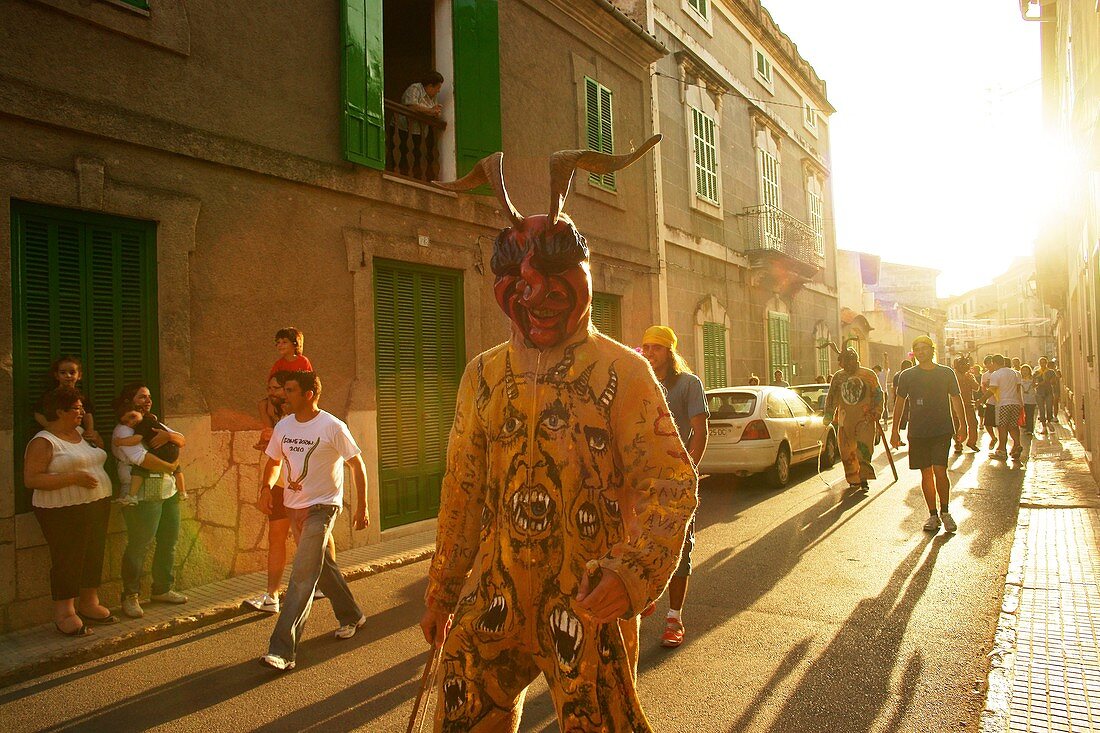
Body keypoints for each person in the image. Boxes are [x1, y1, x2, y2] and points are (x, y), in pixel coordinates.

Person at [422, 142, 696, 731]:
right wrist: (444, 590)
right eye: (517, 283)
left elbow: (669, 480)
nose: (535, 298)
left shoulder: (624, 372)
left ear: (583, 279)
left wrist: (631, 572)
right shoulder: (484, 376)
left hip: (588, 603)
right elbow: (463, 489)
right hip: (496, 597)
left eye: (552, 282)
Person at [259, 371, 369, 671]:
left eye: (291, 390)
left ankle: (282, 650)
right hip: (294, 507)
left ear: (308, 394)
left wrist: (363, 506)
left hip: (322, 508)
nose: (285, 395)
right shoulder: (284, 425)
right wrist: (267, 487)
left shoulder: (332, 426)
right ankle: (352, 615)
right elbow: (274, 462)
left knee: (302, 577)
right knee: (322, 568)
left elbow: (357, 464)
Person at [24, 387, 115, 636]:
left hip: (97, 503)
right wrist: (72, 478)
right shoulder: (44, 441)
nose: (82, 412)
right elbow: (31, 479)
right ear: (60, 411)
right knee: (68, 558)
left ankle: (89, 603)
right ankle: (65, 613)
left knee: (93, 553)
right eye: (76, 408)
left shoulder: (80, 433)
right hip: (61, 510)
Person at [639, 325, 708, 648]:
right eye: (646, 347)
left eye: (655, 348)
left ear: (669, 352)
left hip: (677, 480)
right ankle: (649, 593)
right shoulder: (641, 382)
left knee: (680, 549)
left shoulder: (688, 384)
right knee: (641, 542)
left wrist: (688, 471)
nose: (649, 353)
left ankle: (674, 618)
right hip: (645, 479)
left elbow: (700, 430)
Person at [245, 371, 334, 614]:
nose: (272, 393)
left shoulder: (308, 419)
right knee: (276, 538)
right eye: (270, 388)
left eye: (277, 388)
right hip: (281, 487)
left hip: (307, 491)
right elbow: (273, 460)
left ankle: (324, 585)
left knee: (316, 541)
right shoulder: (278, 420)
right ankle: (272, 595)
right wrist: (266, 487)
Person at [113, 383, 188, 619]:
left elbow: (181, 440)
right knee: (139, 545)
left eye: (149, 397)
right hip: (143, 492)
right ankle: (130, 596)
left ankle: (162, 589)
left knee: (169, 540)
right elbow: (140, 459)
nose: (147, 401)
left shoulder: (153, 421)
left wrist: (168, 436)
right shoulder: (124, 430)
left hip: (168, 490)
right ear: (129, 400)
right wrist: (171, 466)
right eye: (142, 397)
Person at [890, 336, 967, 533]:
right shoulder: (907, 375)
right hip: (918, 432)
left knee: (940, 470)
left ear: (932, 350)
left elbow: (956, 399)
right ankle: (933, 515)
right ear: (913, 353)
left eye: (925, 348)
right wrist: (895, 431)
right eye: (917, 349)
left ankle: (946, 512)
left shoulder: (946, 373)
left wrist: (964, 426)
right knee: (926, 472)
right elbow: (899, 404)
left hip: (942, 429)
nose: (921, 352)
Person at [822, 348, 882, 491]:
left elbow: (878, 394)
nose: (845, 366)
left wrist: (877, 411)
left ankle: (863, 477)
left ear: (854, 360)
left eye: (848, 361)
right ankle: (853, 478)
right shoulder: (838, 377)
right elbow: (832, 397)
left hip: (865, 419)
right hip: (845, 419)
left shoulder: (869, 375)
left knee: (864, 448)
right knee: (847, 450)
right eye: (842, 363)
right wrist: (829, 413)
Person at [113, 409, 186, 506]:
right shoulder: (150, 421)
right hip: (173, 450)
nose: (131, 422)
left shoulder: (142, 424)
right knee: (177, 469)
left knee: (139, 467)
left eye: (133, 416)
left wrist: (120, 442)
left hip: (163, 452)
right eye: (126, 422)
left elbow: (136, 441)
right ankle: (183, 492)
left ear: (141, 412)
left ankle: (132, 496)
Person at [34, 356, 103, 449]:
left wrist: (89, 430)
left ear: (79, 375)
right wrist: (50, 426)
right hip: (56, 434)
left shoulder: (81, 396)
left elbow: (88, 414)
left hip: (77, 433)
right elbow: (38, 413)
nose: (68, 376)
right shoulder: (51, 395)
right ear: (56, 375)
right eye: (63, 373)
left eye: (72, 372)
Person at [397, 71, 445, 177]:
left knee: (418, 156)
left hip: (420, 132)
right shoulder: (415, 88)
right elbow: (411, 106)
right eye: (437, 88)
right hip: (404, 129)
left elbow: (432, 109)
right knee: (404, 154)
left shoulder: (432, 97)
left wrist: (435, 113)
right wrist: (430, 111)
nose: (438, 91)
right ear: (430, 86)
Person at [987, 354, 1023, 461]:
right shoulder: (1014, 372)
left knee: (1002, 427)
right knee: (1013, 425)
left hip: (1003, 403)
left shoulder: (996, 374)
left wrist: (981, 399)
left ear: (994, 362)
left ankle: (1002, 450)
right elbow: (1017, 388)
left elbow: (992, 389)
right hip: (1014, 402)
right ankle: (1017, 445)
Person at [952, 356, 980, 452]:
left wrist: (970, 379)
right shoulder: (953, 375)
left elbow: (976, 387)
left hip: (968, 404)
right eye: (962, 364)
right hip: (955, 405)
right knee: (956, 424)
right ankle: (958, 443)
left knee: (973, 423)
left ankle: (971, 442)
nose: (964, 366)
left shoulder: (969, 375)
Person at [890, 359, 913, 444]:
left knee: (906, 419)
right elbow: (895, 389)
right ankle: (897, 437)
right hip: (903, 400)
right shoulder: (900, 375)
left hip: (907, 400)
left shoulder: (899, 375)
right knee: (902, 418)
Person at [979, 355, 998, 449]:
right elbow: (983, 387)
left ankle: (1002, 445)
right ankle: (993, 437)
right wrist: (985, 395)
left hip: (1000, 401)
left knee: (1000, 424)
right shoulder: (985, 375)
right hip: (990, 400)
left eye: (990, 364)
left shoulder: (998, 373)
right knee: (988, 423)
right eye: (987, 365)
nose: (989, 366)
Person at [1020, 364, 1038, 435]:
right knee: (1024, 414)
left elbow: (1035, 385)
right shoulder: (1019, 379)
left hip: (1031, 399)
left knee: (1030, 414)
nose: (1025, 372)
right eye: (1023, 370)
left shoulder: (1032, 379)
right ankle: (1026, 427)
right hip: (1022, 399)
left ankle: (1030, 429)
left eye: (1026, 370)